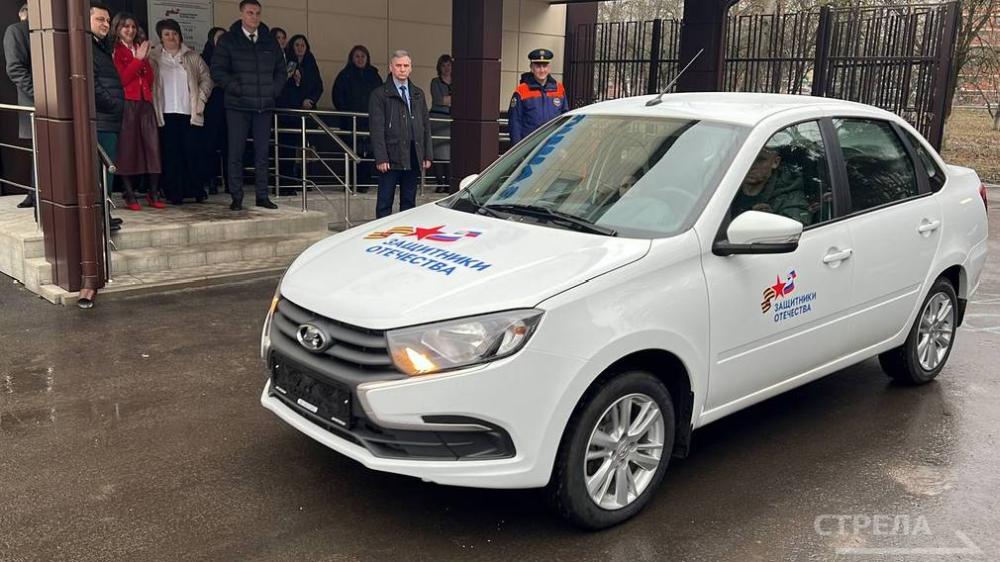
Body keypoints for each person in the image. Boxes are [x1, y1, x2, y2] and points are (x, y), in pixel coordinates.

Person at [210, 0, 285, 211]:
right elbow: (217, 70)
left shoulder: (269, 41)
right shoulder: (228, 40)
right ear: (242, 14)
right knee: (236, 152)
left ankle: (262, 195)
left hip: (263, 105)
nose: (254, 17)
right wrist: (237, 88)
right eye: (250, 12)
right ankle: (236, 196)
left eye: (257, 13)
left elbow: (281, 71)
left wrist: (273, 90)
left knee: (262, 153)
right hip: (238, 105)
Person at [149, 19, 213, 205]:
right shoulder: (153, 58)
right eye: (167, 34)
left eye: (175, 33)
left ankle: (196, 190)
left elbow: (206, 79)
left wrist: (201, 100)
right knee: (171, 154)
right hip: (165, 112)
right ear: (161, 37)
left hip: (189, 112)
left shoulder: (192, 56)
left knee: (192, 152)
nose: (171, 37)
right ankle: (174, 193)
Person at [369, 50, 433, 219]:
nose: (402, 69)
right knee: (385, 201)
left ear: (411, 68)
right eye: (398, 65)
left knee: (409, 202)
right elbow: (376, 128)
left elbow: (425, 125)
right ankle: (383, 232)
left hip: (413, 153)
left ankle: (406, 231)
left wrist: (427, 154)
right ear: (391, 68)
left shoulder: (418, 94)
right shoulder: (379, 94)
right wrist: (381, 157)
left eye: (406, 65)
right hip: (391, 155)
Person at [112, 13, 164, 210]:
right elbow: (122, 79)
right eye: (126, 26)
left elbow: (149, 79)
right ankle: (129, 193)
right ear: (118, 29)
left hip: (145, 102)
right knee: (128, 148)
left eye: (133, 26)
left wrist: (143, 60)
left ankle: (153, 192)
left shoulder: (139, 47)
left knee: (152, 146)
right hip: (128, 102)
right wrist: (137, 60)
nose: (130, 30)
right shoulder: (115, 50)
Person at [332, 45, 382, 193]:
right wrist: (346, 112)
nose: (360, 59)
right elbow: (337, 96)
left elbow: (381, 96)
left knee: (369, 152)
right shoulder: (345, 75)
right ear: (352, 58)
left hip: (369, 121)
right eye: (357, 56)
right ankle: (350, 183)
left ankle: (363, 183)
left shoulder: (374, 75)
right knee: (351, 152)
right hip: (350, 122)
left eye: (363, 56)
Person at [730, 147, 812, 225]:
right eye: (747, 158)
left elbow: (794, 227)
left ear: (775, 162)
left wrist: (771, 220)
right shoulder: (727, 185)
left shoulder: (789, 197)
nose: (750, 165)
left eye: (759, 160)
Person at [3, 3, 34, 208]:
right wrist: (39, 93)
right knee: (39, 150)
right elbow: (15, 68)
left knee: (42, 151)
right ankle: (34, 193)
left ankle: (35, 193)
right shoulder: (16, 30)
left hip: (46, 101)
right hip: (34, 101)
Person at [508, 48, 568, 145]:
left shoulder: (559, 89)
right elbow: (515, 122)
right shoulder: (521, 90)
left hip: (552, 145)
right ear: (531, 67)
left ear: (549, 68)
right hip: (529, 146)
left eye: (545, 66)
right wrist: (517, 148)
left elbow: (565, 119)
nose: (542, 70)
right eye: (538, 66)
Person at [200, 27, 227, 194]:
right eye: (219, 38)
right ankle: (211, 180)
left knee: (229, 144)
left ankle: (231, 182)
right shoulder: (205, 58)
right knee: (210, 144)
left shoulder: (232, 57)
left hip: (229, 105)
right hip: (211, 105)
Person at [277, 34, 322, 111]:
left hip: (308, 107)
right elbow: (284, 84)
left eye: (302, 45)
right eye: (297, 45)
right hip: (290, 107)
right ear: (292, 46)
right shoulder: (288, 62)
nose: (300, 48)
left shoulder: (310, 62)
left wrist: (311, 99)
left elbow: (318, 85)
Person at [429, 54, 452, 193]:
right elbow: (439, 100)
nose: (446, 68)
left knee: (450, 153)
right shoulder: (435, 82)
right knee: (438, 152)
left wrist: (447, 99)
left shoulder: (457, 81)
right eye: (443, 65)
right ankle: (440, 183)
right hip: (438, 120)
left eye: (449, 65)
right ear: (439, 67)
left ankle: (449, 182)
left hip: (451, 121)